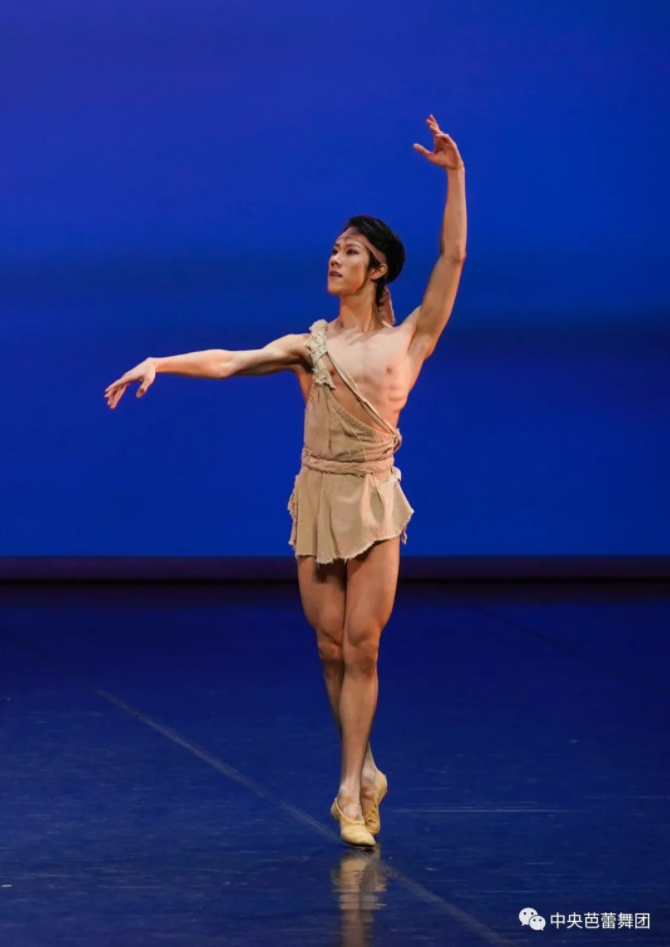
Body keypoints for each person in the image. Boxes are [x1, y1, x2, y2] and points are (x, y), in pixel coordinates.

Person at [104, 114, 467, 848]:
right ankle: (364, 766)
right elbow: (231, 360)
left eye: (350, 251)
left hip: (373, 498)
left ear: (378, 270)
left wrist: (454, 176)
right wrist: (160, 362)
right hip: (318, 496)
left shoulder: (409, 339)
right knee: (330, 647)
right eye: (333, 248)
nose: (335, 258)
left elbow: (453, 256)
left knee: (363, 645)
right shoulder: (310, 345)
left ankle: (349, 792)